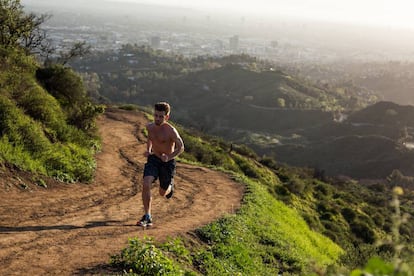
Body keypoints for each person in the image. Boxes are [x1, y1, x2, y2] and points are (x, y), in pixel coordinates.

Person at [137, 102, 185, 227]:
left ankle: (170, 186)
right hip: (154, 159)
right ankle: (147, 216)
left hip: (167, 163)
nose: (157, 119)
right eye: (156, 115)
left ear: (166, 117)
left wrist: (169, 157)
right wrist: (148, 150)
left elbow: (181, 147)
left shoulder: (171, 131)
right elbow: (150, 138)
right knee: (146, 182)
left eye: (161, 116)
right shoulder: (150, 127)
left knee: (162, 193)